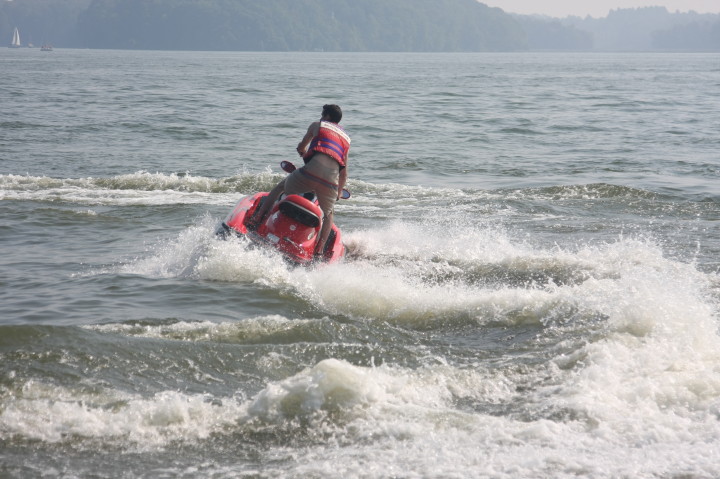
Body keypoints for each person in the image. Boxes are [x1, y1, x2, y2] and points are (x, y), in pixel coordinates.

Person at [251, 104, 351, 258]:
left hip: (311, 172)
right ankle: (319, 250)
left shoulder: (318, 125)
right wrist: (338, 192)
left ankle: (257, 220)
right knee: (329, 214)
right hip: (331, 179)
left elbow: (302, 146)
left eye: (322, 114)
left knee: (280, 189)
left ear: (327, 117)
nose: (320, 117)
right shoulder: (346, 139)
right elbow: (343, 171)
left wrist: (302, 151)